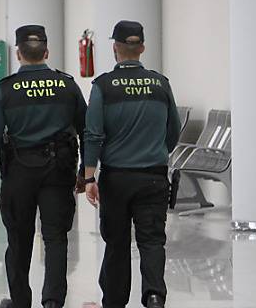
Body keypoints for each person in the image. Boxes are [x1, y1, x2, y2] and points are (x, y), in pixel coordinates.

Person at [0, 25, 87, 308]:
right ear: (47, 52)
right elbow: (88, 131)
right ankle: (52, 302)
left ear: (18, 53)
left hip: (19, 173)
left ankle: (20, 302)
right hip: (58, 171)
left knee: (19, 240)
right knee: (55, 238)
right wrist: (85, 173)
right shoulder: (67, 85)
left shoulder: (6, 91)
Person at [83, 21, 182, 308]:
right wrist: (156, 153)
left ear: (115, 48)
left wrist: (89, 177)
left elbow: (93, 134)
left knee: (116, 242)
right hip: (153, 176)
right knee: (152, 241)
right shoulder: (160, 83)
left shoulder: (103, 86)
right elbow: (173, 129)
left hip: (117, 179)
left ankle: (114, 300)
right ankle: (153, 296)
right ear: (142, 48)